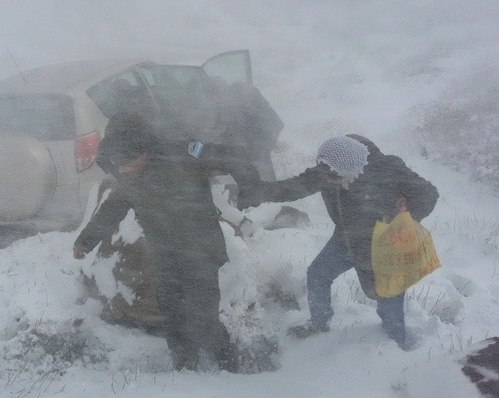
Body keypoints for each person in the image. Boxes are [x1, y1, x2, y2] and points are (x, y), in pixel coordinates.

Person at [73, 112, 261, 371]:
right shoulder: (129, 176)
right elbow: (114, 206)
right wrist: (85, 241)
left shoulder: (184, 154)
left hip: (201, 251)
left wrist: (251, 187)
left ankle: (227, 361)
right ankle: (184, 361)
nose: (123, 170)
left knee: (203, 314)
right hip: (165, 254)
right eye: (119, 166)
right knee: (173, 312)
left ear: (143, 151)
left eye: (127, 163)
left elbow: (232, 155)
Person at [260, 134, 439, 348]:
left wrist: (403, 216)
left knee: (387, 295)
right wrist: (255, 192)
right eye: (325, 174)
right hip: (345, 239)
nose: (327, 181)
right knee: (318, 274)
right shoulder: (328, 169)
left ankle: (395, 342)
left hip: (384, 245)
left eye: (335, 177)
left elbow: (428, 194)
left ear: (354, 169)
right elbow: (294, 187)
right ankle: (319, 323)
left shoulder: (388, 170)